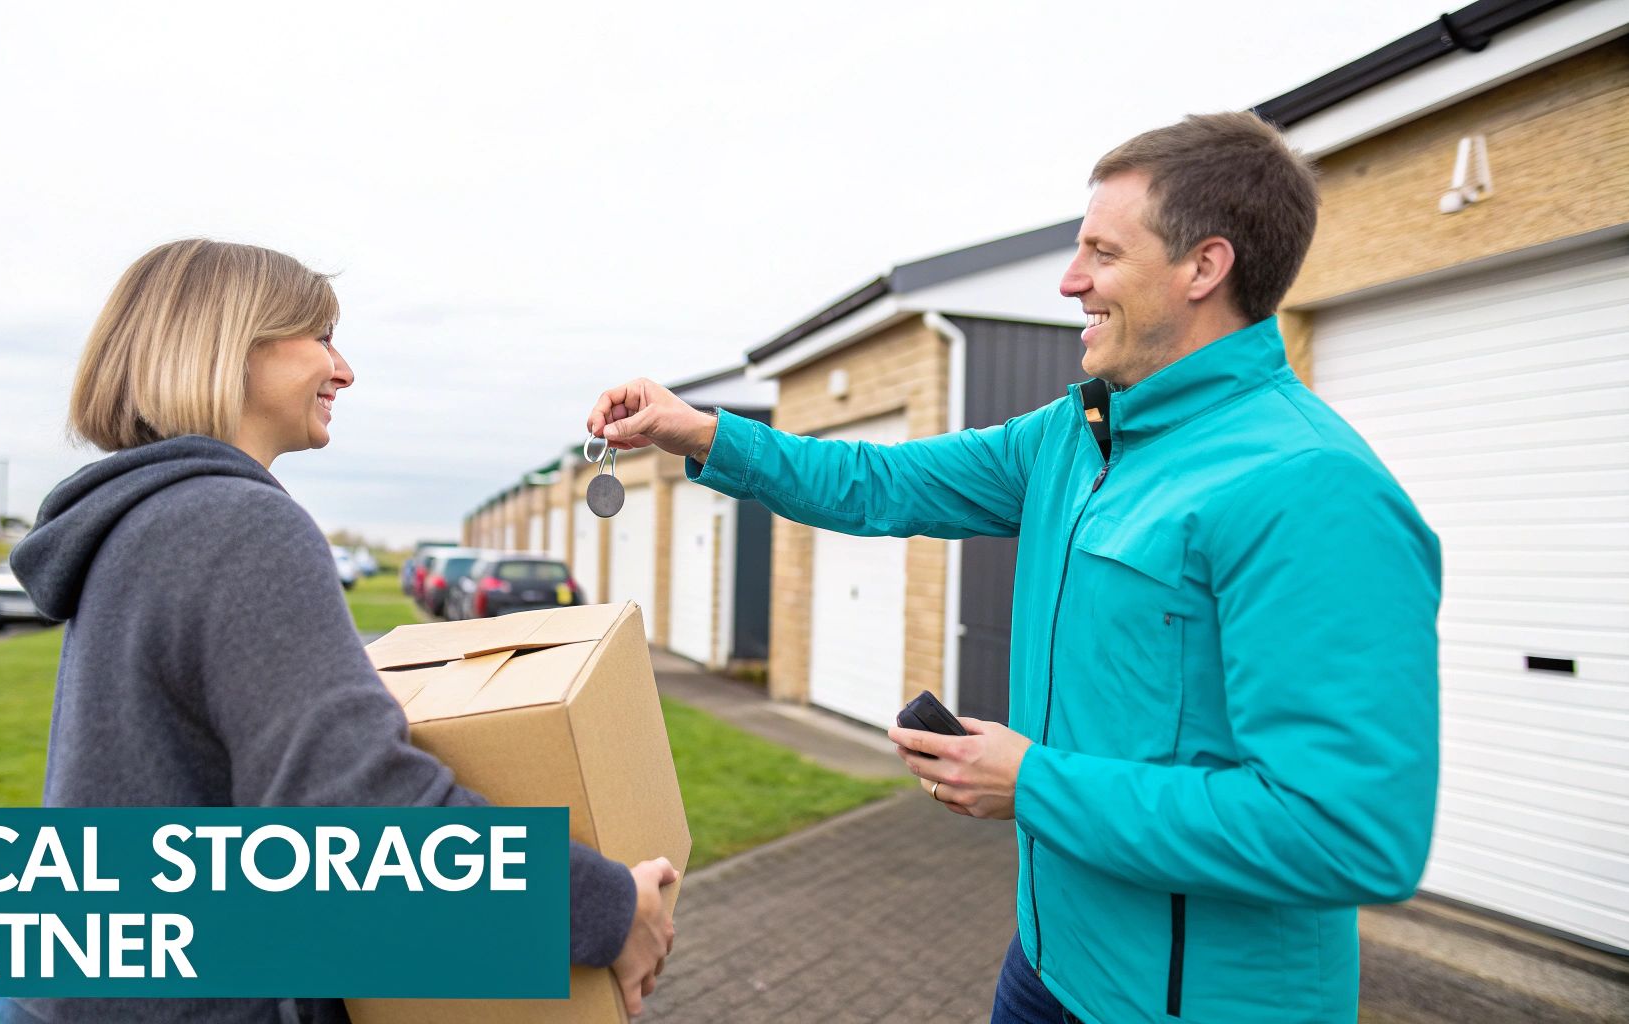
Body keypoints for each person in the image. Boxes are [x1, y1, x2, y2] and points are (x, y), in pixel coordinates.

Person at [586, 112, 1440, 1024]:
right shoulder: (1075, 439)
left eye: (1103, 254)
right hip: (1045, 967)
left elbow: (1347, 831)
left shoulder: (1310, 489)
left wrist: (1031, 783)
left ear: (1205, 267)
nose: (1072, 281)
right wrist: (703, 432)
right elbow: (878, 480)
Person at [0, 239, 676, 1024]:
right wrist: (603, 910)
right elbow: (354, 802)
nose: (344, 369)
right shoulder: (235, 523)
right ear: (232, 345)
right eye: (320, 336)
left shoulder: (144, 520)